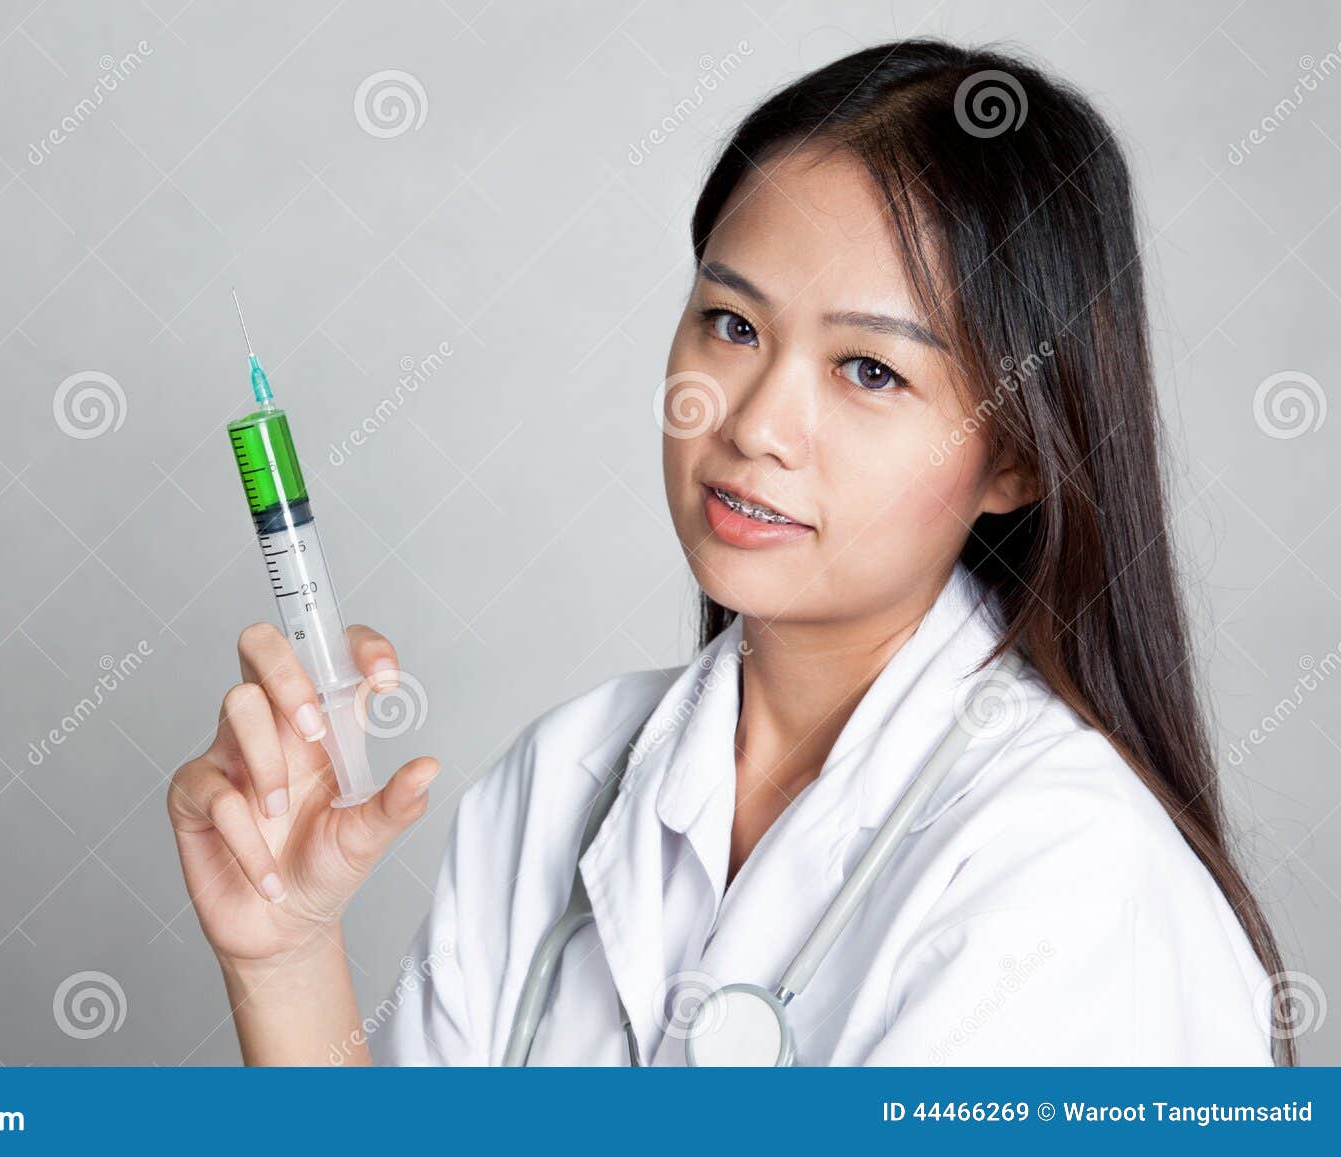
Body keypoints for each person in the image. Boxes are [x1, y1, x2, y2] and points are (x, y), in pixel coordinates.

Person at [166, 37, 1288, 1066]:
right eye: (733, 325)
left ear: (1017, 458)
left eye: (869, 370)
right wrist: (287, 954)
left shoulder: (1072, 883)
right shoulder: (562, 783)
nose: (752, 423)